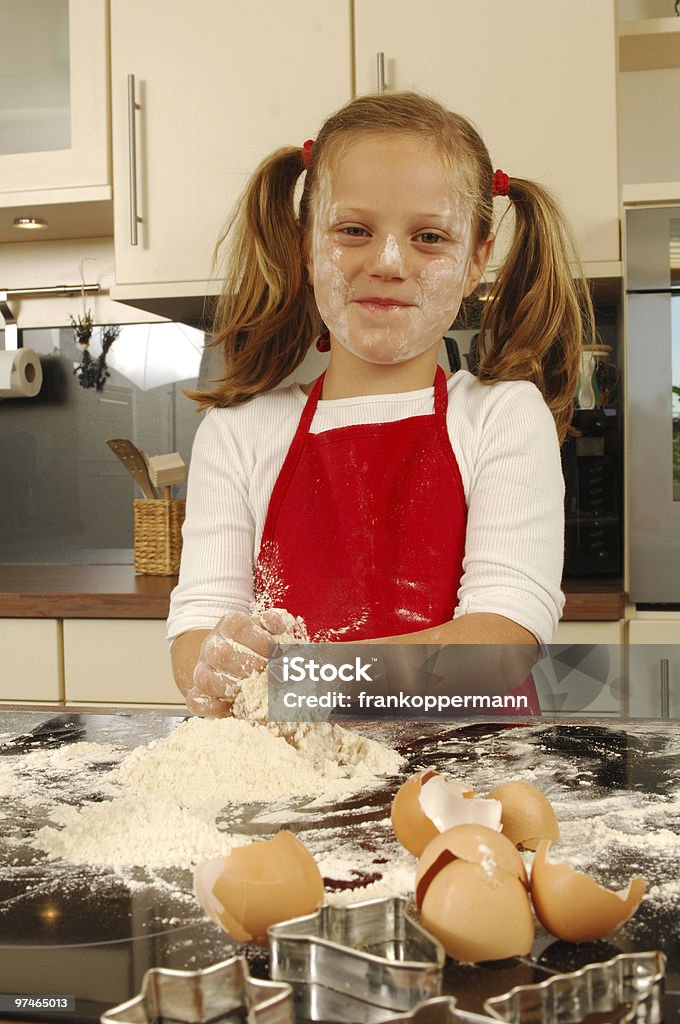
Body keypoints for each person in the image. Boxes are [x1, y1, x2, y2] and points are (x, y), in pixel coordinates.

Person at [167, 91, 594, 718]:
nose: (388, 262)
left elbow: (503, 644)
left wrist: (301, 681)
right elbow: (198, 634)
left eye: (429, 237)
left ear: (478, 257)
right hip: (290, 786)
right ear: (304, 245)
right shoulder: (239, 434)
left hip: (462, 785)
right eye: (353, 231)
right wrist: (221, 660)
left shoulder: (503, 417)